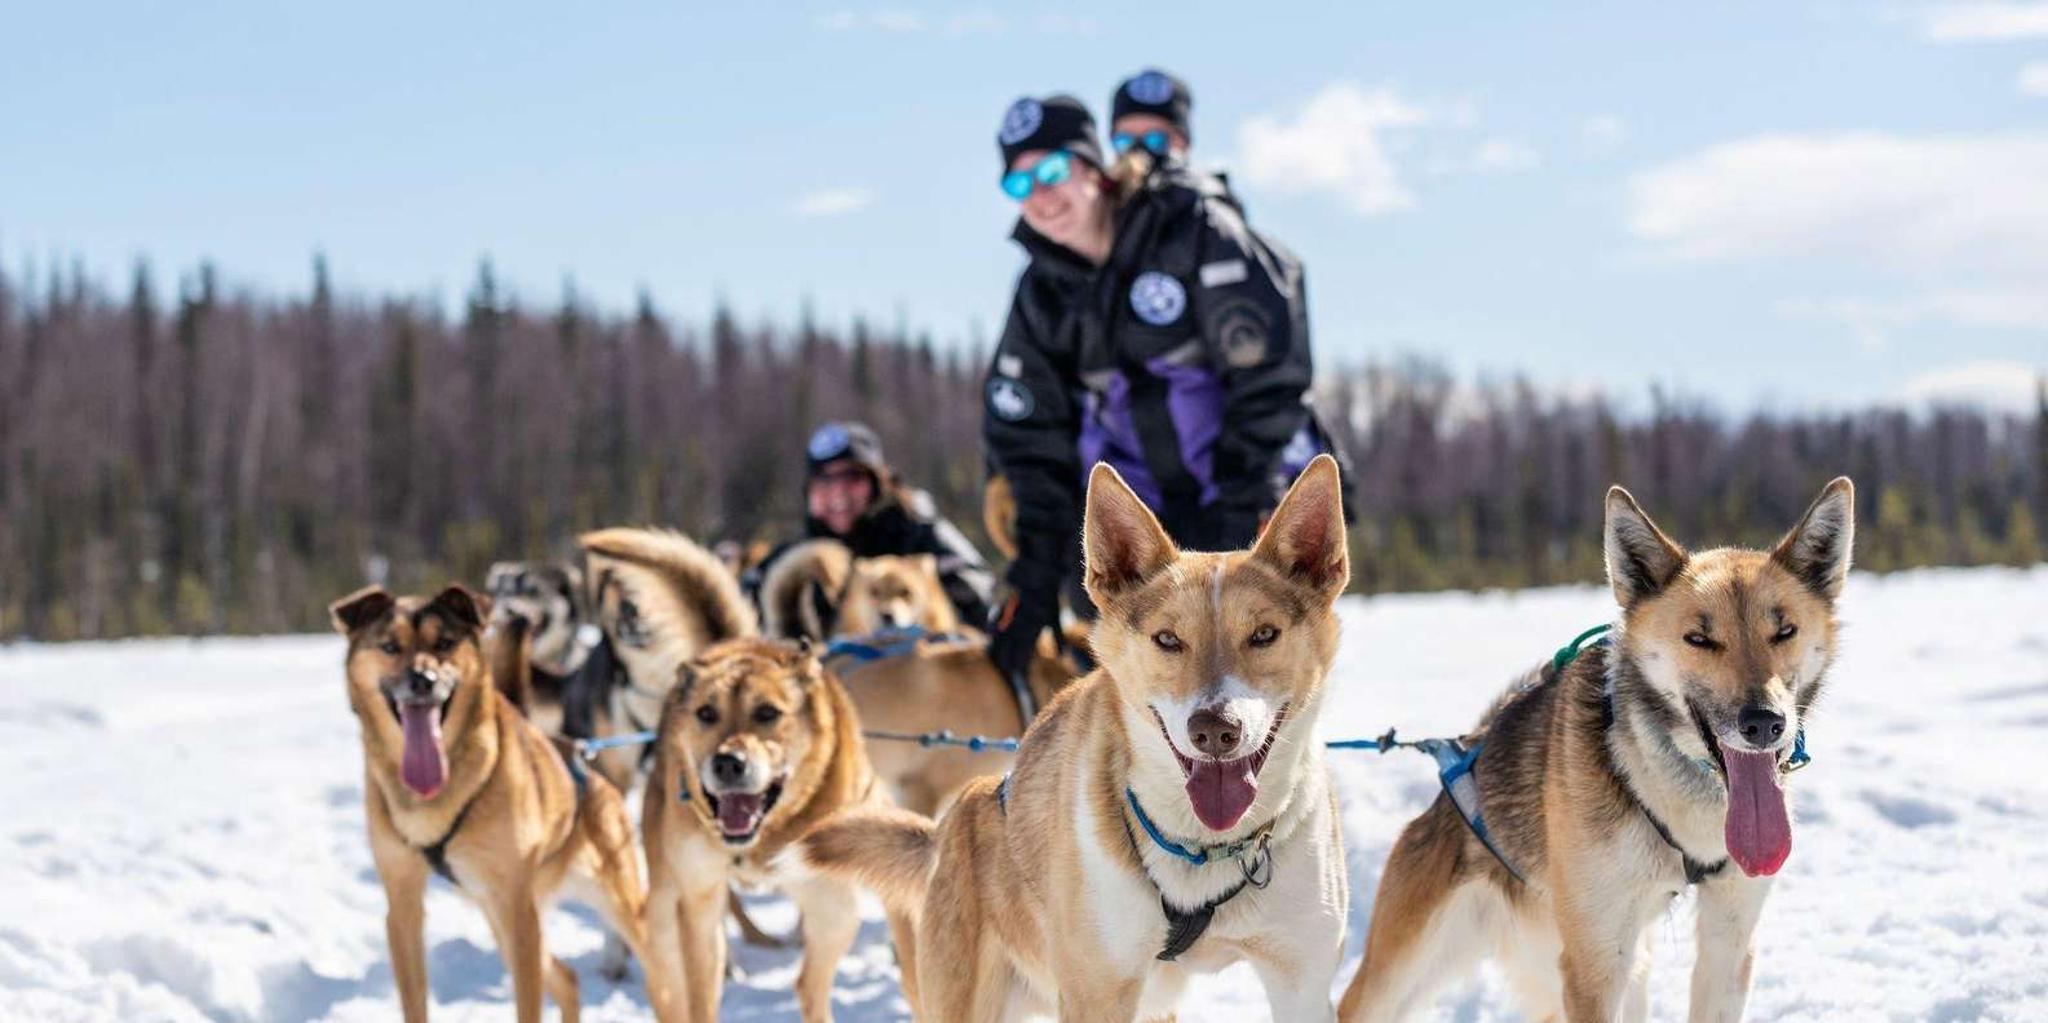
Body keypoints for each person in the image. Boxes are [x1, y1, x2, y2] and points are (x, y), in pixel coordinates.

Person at [981, 91, 1344, 681]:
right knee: (1151, 686)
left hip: (1245, 492)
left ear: (1095, 168)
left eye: (1051, 171)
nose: (1040, 197)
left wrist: (1238, 503)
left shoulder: (1190, 226)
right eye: (1019, 185)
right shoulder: (1040, 294)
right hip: (1144, 518)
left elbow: (1271, 374)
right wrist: (1034, 580)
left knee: (1252, 673)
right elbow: (1028, 440)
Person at [752, 421, 996, 630]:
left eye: (852, 478)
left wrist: (921, 592)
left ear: (878, 484)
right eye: (824, 481)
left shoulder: (917, 532)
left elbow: (979, 589)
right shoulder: (797, 556)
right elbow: (747, 602)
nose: (839, 494)